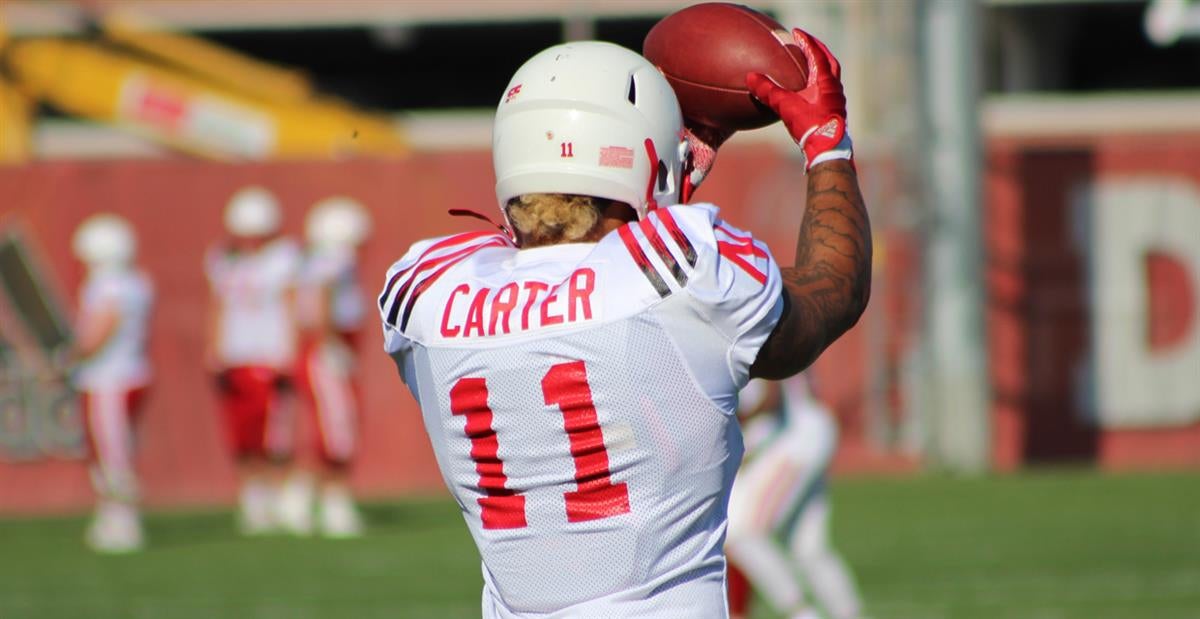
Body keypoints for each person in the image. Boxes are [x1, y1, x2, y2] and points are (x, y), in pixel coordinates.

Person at [378, 31, 869, 618]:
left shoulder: (424, 293)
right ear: (644, 160)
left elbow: (541, 254)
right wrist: (825, 142)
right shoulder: (682, 268)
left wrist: (653, 183)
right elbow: (831, 293)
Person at [204, 186, 301, 535]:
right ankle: (253, 498)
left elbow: (292, 305)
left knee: (275, 434)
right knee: (241, 434)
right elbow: (217, 306)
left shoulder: (284, 258)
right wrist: (213, 349)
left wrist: (289, 352)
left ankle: (280, 497)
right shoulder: (223, 259)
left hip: (269, 355)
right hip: (235, 354)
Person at [726, 376, 863, 619]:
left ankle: (801, 613)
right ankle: (849, 614)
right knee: (809, 548)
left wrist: (737, 421)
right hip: (805, 431)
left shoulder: (742, 340)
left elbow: (771, 391)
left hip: (793, 439)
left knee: (743, 533)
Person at [281, 196, 372, 537]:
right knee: (337, 430)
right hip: (327, 349)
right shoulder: (335, 258)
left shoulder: (311, 258)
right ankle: (317, 500)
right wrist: (330, 340)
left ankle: (308, 499)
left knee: (331, 428)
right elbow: (323, 295)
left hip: (321, 347)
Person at [71, 213, 154, 553]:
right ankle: (112, 513)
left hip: (111, 379)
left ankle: (122, 520)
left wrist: (68, 354)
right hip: (124, 375)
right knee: (112, 450)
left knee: (112, 453)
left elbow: (99, 334)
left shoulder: (111, 285)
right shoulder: (136, 281)